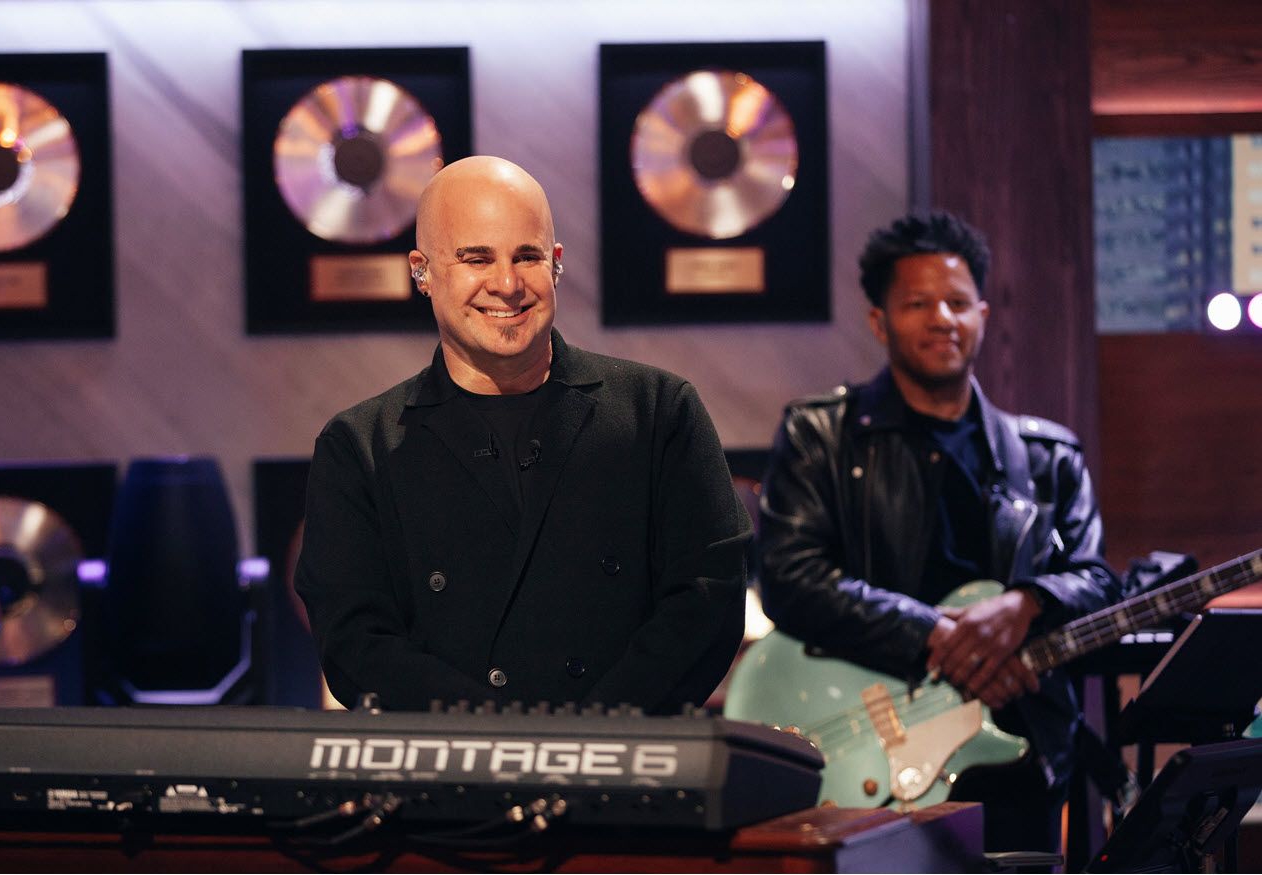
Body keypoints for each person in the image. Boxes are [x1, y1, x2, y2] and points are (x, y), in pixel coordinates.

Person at [294, 156, 749, 714]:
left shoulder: (659, 412)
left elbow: (707, 599)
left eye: (527, 256)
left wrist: (595, 738)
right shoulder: (359, 445)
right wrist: (500, 744)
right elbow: (355, 643)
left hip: (626, 766)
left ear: (556, 264)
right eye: (475, 258)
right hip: (451, 780)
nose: (507, 285)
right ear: (423, 271)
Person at [757, 211, 1120, 851]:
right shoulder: (821, 434)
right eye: (918, 303)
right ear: (880, 321)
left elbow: (1096, 578)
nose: (942, 319)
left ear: (983, 312)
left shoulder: (1048, 456)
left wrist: (1024, 604)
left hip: (1017, 743)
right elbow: (789, 577)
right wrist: (937, 635)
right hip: (873, 742)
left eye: (957, 302)